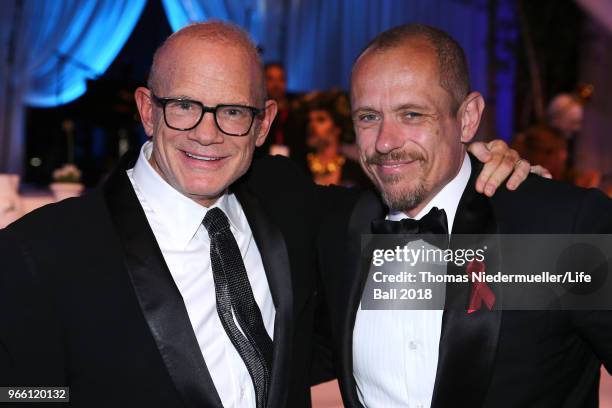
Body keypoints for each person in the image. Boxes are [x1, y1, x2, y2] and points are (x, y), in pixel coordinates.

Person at [0, 21, 531, 408]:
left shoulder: (289, 202)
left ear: (263, 124)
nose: (207, 133)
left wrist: (485, 167)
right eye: (184, 105)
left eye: (232, 111)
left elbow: (415, 201)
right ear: (147, 109)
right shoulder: (41, 251)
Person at [317, 24, 612, 408]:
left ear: (468, 117)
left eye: (411, 114)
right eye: (368, 117)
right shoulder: (339, 228)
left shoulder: (560, 224)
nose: (385, 142)